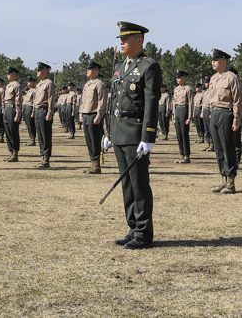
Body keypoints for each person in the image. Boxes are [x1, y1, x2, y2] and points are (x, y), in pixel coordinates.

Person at [109, 21, 161, 249]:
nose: (122, 42)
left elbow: (151, 104)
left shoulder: (149, 67)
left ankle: (143, 232)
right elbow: (113, 100)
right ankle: (133, 228)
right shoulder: (120, 67)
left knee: (139, 184)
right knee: (127, 185)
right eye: (120, 39)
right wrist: (109, 132)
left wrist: (148, 136)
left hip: (135, 132)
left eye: (126, 39)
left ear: (139, 40)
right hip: (119, 131)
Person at [206, 49, 242, 195]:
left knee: (228, 148)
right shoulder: (213, 78)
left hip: (226, 113)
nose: (213, 62)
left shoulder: (232, 78)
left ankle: (231, 182)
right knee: (218, 148)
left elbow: (238, 100)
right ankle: (223, 178)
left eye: (216, 60)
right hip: (214, 113)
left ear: (224, 61)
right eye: (212, 60)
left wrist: (236, 119)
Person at [80, 61, 109, 174]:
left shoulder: (99, 84)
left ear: (96, 71)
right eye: (87, 69)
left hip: (94, 115)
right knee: (89, 140)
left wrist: (99, 115)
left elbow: (102, 101)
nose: (88, 71)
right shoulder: (87, 84)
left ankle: (97, 165)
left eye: (90, 69)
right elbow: (83, 101)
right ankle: (92, 162)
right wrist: (81, 113)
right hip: (86, 114)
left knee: (95, 140)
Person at [30, 63, 56, 169]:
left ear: (45, 71)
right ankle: (42, 157)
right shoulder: (39, 84)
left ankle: (46, 159)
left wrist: (50, 112)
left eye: (39, 70)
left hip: (44, 110)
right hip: (38, 110)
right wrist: (34, 111)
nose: (37, 72)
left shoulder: (49, 83)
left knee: (45, 135)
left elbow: (51, 99)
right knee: (40, 135)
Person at [172, 70, 194, 163]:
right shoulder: (176, 89)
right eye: (177, 78)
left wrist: (189, 117)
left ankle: (187, 155)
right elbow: (174, 102)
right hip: (177, 111)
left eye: (179, 77)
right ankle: (182, 154)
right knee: (178, 134)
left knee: (184, 133)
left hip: (184, 110)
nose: (177, 79)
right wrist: (174, 116)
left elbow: (191, 103)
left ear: (184, 78)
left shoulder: (188, 89)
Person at [2, 67, 24, 162]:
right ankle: (10, 152)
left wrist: (18, 114)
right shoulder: (8, 85)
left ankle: (15, 153)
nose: (8, 75)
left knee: (13, 131)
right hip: (7, 109)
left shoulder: (16, 85)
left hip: (12, 109)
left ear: (14, 74)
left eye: (9, 74)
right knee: (8, 132)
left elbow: (18, 101)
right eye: (7, 74)